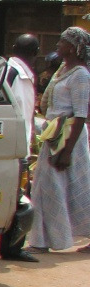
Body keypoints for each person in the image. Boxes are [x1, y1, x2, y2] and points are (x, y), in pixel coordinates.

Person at [29, 27, 90, 253]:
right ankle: (42, 239)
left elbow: (81, 114)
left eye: (62, 42)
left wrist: (66, 151)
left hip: (68, 138)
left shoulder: (81, 75)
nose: (57, 45)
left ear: (74, 48)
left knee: (75, 188)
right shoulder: (64, 70)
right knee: (44, 187)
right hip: (54, 134)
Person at [0, 34, 41, 261]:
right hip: (12, 146)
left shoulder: (15, 72)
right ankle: (12, 247)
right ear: (36, 54)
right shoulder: (13, 73)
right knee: (18, 196)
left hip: (15, 144)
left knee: (15, 196)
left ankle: (10, 245)